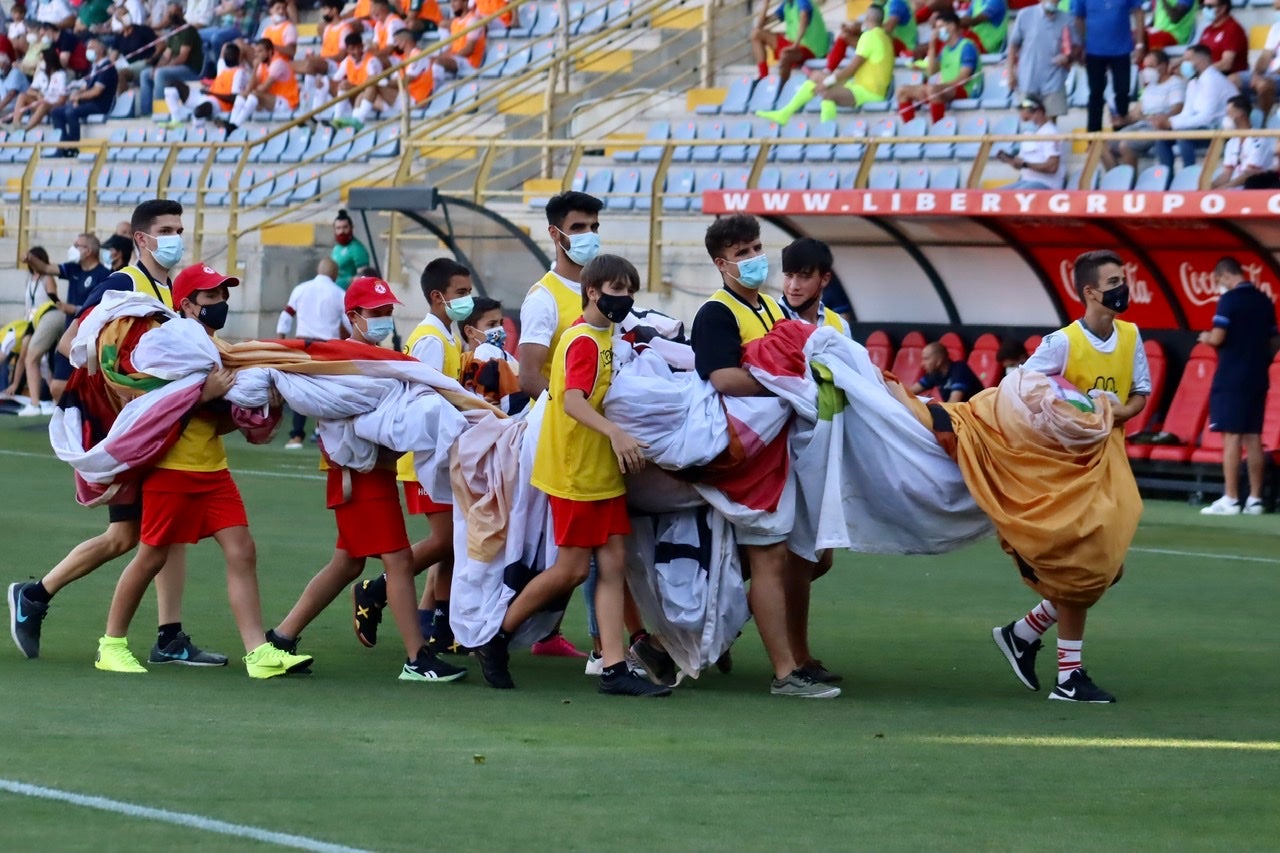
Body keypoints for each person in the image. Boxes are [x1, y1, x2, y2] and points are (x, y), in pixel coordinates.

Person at [7, 200, 223, 665]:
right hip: (129, 429)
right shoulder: (124, 284)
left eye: (180, 229)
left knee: (164, 533)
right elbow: (71, 344)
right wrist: (129, 391)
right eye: (167, 229)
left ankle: (169, 636)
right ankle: (36, 594)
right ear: (142, 239)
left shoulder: (170, 291)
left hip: (160, 428)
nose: (176, 237)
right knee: (129, 537)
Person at [93, 263, 311, 678]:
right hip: (171, 471)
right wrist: (201, 395)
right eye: (212, 297)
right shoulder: (168, 346)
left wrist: (253, 408)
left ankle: (258, 653)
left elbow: (218, 422)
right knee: (151, 557)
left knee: (242, 550)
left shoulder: (220, 350)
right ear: (188, 305)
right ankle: (111, 644)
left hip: (212, 471)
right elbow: (154, 412)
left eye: (223, 297)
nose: (220, 304)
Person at [473, 255, 668, 697]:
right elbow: (573, 402)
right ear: (594, 291)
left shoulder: (605, 335)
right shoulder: (583, 340)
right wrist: (616, 433)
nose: (626, 299)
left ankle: (616, 668)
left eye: (631, 291)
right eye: (618, 290)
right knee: (572, 570)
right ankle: (496, 638)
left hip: (598, 468)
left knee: (613, 563)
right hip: (577, 470)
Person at [266, 276, 468, 684]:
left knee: (347, 563)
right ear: (354, 316)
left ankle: (280, 639)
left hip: (368, 473)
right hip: (358, 476)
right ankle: (417, 658)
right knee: (398, 561)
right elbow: (340, 410)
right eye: (376, 313)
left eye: (388, 312)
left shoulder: (375, 359)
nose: (384, 320)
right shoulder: (343, 361)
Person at [689, 214, 840, 699]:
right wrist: (787, 387)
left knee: (798, 557)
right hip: (746, 454)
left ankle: (726, 632)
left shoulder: (774, 309)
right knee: (772, 557)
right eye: (742, 253)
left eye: (756, 248)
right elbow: (721, 377)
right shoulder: (716, 313)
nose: (754, 259)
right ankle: (784, 672)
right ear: (721, 263)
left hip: (777, 451)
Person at [992, 249, 1150, 703]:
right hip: (1068, 468)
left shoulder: (1131, 336)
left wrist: (1113, 414)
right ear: (1089, 291)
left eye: (1124, 279)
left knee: (1108, 570)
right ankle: (1069, 676)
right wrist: (1069, 417)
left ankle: (1023, 632)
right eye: (1115, 280)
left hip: (1111, 462)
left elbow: (1139, 394)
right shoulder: (1061, 343)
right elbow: (1023, 391)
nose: (1123, 288)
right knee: (1083, 568)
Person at [351, 259, 474, 652]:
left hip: (442, 452)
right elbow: (423, 399)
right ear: (438, 297)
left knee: (455, 541)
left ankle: (442, 625)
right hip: (425, 456)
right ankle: (376, 589)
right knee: (447, 540)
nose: (466, 300)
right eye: (461, 293)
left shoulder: (446, 337)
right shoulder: (431, 340)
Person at [1197, 257, 1280, 515]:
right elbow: (1275, 341)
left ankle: (1231, 498)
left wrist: (1206, 338)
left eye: (1218, 280)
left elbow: (1219, 335)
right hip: (1257, 376)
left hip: (1232, 376)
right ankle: (1255, 499)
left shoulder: (1229, 300)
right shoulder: (1264, 300)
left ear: (1224, 276)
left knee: (1231, 436)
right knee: (1254, 436)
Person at [756, 3, 893, 125]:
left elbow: (851, 69)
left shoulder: (869, 37)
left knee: (826, 92)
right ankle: (784, 114)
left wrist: (828, 82)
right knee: (815, 76)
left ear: (867, 18)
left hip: (869, 93)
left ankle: (826, 134)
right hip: (861, 88)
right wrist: (828, 80)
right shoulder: (885, 38)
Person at [23, 233, 111, 403]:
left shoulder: (104, 274)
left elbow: (103, 307)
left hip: (92, 339)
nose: (73, 248)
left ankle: (86, 420)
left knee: (92, 387)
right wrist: (31, 258)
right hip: (70, 337)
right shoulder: (72, 268)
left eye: (77, 245)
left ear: (88, 251)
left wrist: (75, 309)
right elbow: (46, 269)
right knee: (56, 387)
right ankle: (70, 420)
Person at [276, 258, 346, 449]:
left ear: (318, 269)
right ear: (335, 274)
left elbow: (286, 315)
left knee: (301, 389)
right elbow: (349, 323)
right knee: (328, 390)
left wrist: (281, 342)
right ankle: (324, 433)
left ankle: (296, 436)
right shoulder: (340, 294)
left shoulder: (301, 289)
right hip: (329, 347)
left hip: (303, 344)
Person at [1157, 44, 1237, 169]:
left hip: (1221, 131)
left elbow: (1206, 118)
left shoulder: (1213, 80)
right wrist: (1168, 122)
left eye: (1188, 60)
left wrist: (1172, 124)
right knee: (1162, 137)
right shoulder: (1193, 82)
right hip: (1203, 128)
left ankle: (1189, 176)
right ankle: (1166, 179)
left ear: (1203, 61)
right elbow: (1186, 113)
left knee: (1183, 137)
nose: (1184, 64)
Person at [1103, 49, 1185, 169]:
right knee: (1102, 146)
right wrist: (1122, 120)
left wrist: (1158, 118)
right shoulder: (1149, 87)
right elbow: (1135, 113)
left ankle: (1129, 184)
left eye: (1151, 66)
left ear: (1163, 66)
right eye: (1145, 67)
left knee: (1126, 145)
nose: (1147, 70)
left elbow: (1177, 109)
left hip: (1158, 127)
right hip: (1140, 125)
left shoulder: (1175, 83)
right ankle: (1116, 181)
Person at [1071, 0, 1145, 132]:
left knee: (1122, 91)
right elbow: (1078, 18)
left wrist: (1140, 43)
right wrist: (1082, 44)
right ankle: (1093, 137)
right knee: (1095, 93)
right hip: (1094, 51)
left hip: (1121, 49)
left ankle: (1121, 131)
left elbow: (1138, 12)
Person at [896, 10, 981, 124]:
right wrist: (932, 46)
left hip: (965, 90)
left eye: (940, 26)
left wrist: (938, 88)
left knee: (933, 90)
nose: (936, 31)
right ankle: (910, 128)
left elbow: (963, 78)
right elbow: (931, 72)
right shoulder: (945, 49)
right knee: (903, 90)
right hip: (945, 89)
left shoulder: (966, 46)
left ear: (951, 26)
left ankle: (938, 129)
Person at [4, 247, 61, 416]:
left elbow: (54, 299)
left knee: (45, 361)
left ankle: (51, 399)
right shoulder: (30, 278)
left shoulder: (47, 277)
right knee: (24, 354)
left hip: (45, 318)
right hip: (31, 321)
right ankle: (17, 386)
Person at [1008, 0, 1076, 120]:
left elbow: (1075, 48)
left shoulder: (1067, 19)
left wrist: (1068, 57)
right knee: (1026, 119)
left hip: (1054, 81)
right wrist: (1010, 74)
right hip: (1028, 80)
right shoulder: (1025, 15)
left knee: (1051, 123)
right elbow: (1013, 46)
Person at [49, 38, 117, 156]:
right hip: (89, 102)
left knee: (71, 112)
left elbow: (96, 91)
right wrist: (76, 95)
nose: (88, 51)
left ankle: (73, 146)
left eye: (92, 48)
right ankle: (62, 145)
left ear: (101, 50)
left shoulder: (107, 67)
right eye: (88, 48)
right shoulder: (94, 67)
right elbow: (85, 87)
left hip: (100, 104)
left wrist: (78, 98)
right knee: (56, 112)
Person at [138, 3, 204, 116]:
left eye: (174, 12)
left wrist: (161, 69)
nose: (171, 15)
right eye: (169, 13)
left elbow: (183, 57)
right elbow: (166, 55)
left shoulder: (187, 30)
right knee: (145, 74)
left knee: (161, 73)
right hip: (176, 68)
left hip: (190, 69)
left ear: (181, 12)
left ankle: (160, 111)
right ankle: (146, 112)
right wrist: (156, 67)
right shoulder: (173, 32)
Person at [777, 237, 851, 336]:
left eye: (804, 276)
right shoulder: (769, 319)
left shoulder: (840, 326)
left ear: (825, 279)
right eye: (788, 275)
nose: (793, 286)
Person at [162, 41, 249, 126]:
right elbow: (224, 50)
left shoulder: (239, 72)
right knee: (171, 84)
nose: (227, 56)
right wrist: (208, 92)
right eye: (226, 54)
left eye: (231, 54)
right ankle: (176, 118)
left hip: (218, 104)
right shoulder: (222, 66)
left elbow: (234, 98)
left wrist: (211, 93)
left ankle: (195, 126)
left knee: (199, 111)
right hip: (204, 96)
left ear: (237, 56)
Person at [224, 37, 299, 130]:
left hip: (287, 102)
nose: (256, 55)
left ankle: (236, 125)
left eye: (260, 51)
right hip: (272, 100)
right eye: (256, 51)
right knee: (242, 95)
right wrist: (255, 69)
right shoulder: (261, 65)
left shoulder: (278, 63)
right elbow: (248, 88)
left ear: (270, 52)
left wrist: (250, 89)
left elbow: (262, 88)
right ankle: (232, 123)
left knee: (255, 94)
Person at [751, 0, 829, 84]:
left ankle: (781, 87)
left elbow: (804, 16)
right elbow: (760, 25)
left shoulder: (802, 1)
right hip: (795, 47)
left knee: (785, 55)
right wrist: (766, 4)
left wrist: (795, 44)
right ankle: (763, 77)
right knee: (756, 34)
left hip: (811, 49)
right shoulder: (786, 4)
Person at [996, 94, 1064, 189]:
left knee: (1016, 195)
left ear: (1039, 112)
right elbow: (1021, 165)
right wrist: (1010, 160)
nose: (1026, 122)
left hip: (1047, 184)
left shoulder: (1050, 132)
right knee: (996, 194)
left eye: (1027, 119)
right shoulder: (1028, 134)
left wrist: (1025, 164)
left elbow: (1052, 167)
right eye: (1024, 120)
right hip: (1026, 180)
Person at [1211, 96, 1277, 189]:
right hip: (1233, 190)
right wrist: (1210, 187)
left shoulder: (1259, 139)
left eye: (1229, 114)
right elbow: (1227, 174)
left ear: (1241, 113)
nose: (1226, 118)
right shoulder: (1232, 142)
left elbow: (1249, 174)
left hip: (1253, 189)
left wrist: (1225, 188)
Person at [7, 46, 66, 130]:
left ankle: (26, 129)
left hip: (53, 105)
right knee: (22, 96)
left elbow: (62, 100)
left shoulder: (61, 75)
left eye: (42, 60)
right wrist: (38, 94)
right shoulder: (42, 74)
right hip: (40, 103)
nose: (40, 62)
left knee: (44, 104)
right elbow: (30, 90)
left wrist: (47, 102)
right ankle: (15, 125)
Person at [330, 31, 383, 125]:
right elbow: (335, 79)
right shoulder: (347, 61)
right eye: (352, 49)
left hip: (374, 94)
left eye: (359, 47)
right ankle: (337, 118)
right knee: (337, 84)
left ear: (362, 46)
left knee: (363, 87)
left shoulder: (371, 61)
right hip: (359, 92)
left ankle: (355, 118)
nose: (357, 51)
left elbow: (374, 82)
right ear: (347, 50)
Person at [910, 341, 985, 401]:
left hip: (978, 415)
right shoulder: (935, 373)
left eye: (926, 359)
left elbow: (953, 403)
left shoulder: (960, 369)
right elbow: (909, 393)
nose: (922, 364)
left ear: (938, 361)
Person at [429, 0, 485, 82]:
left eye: (455, 1)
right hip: (458, 58)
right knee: (430, 60)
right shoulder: (455, 22)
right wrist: (440, 56)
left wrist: (449, 57)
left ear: (465, 3)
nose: (452, 5)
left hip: (469, 61)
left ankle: (435, 90)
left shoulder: (473, 21)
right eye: (451, 2)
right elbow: (453, 47)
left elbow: (469, 49)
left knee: (438, 62)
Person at [1245, 0, 1280, 117]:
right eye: (1276, 9)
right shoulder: (1276, 28)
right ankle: (1242, 123)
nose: (1277, 12)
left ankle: (1262, 126)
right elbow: (1265, 56)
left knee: (1264, 85)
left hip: (1274, 76)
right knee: (1233, 80)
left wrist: (1265, 77)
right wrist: (1255, 74)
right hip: (1270, 75)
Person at [1197, 0, 1247, 77]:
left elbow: (1226, 64)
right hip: (1210, 76)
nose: (1205, 10)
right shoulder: (1207, 30)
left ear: (1223, 8)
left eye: (1209, 7)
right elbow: (1198, 55)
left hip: (1228, 78)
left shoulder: (1232, 29)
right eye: (1203, 6)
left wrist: (1202, 70)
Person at [330, 209, 370, 290]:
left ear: (351, 228)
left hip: (349, 295)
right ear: (334, 230)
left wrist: (342, 283)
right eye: (338, 228)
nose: (342, 231)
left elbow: (362, 278)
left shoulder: (358, 249)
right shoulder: (336, 248)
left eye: (345, 227)